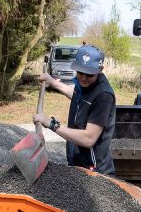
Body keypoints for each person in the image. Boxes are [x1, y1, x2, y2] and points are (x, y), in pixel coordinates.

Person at [33, 45, 116, 176]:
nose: (83, 77)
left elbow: (89, 138)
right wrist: (53, 82)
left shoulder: (103, 96)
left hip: (95, 171)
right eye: (80, 72)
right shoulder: (85, 84)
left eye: (89, 74)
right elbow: (76, 94)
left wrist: (52, 124)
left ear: (100, 70)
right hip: (78, 164)